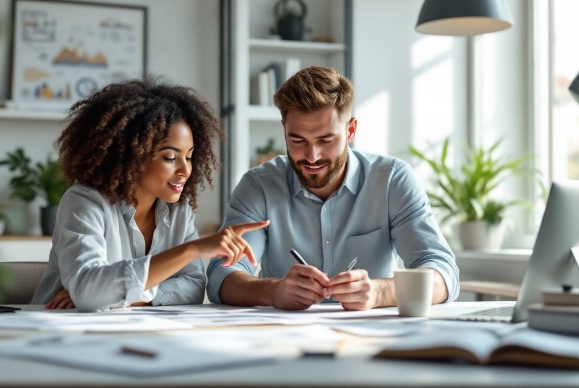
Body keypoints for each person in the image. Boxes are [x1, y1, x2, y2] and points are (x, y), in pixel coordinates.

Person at [206, 66, 459, 311]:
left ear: (350, 131)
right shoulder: (258, 185)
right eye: (297, 140)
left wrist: (380, 292)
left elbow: (443, 273)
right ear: (284, 130)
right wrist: (273, 291)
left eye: (326, 140)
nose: (312, 156)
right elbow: (222, 276)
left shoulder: (392, 180)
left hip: (372, 336)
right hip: (284, 337)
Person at [32, 77, 268, 312]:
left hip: (132, 330)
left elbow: (194, 287)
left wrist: (123, 297)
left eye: (189, 157)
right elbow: (88, 293)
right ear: (131, 155)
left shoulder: (178, 211)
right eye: (170, 158)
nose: (185, 170)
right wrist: (191, 250)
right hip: (58, 330)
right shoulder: (85, 201)